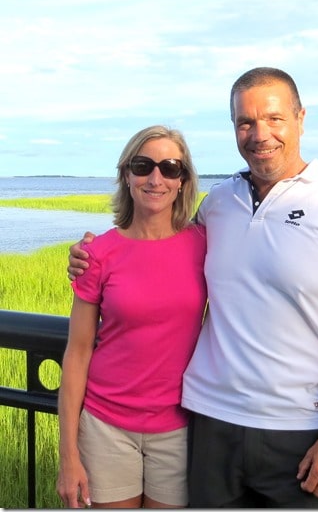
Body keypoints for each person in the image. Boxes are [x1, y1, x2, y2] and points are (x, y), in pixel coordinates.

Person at [68, 67, 318, 508]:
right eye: (245, 122)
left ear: (301, 117)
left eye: (274, 118)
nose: (260, 133)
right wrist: (87, 256)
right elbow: (159, 252)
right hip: (210, 424)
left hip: (302, 430)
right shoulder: (219, 205)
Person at [57, 126, 208, 509]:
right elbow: (77, 354)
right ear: (127, 175)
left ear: (182, 180)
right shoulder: (98, 253)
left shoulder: (207, 245)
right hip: (105, 427)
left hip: (180, 427)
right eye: (143, 166)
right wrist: (68, 455)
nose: (155, 178)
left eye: (170, 168)